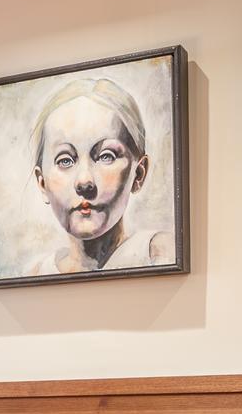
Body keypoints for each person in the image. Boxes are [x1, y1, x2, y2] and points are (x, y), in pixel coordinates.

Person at [27, 77, 174, 274]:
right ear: (42, 183)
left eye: (106, 156)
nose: (85, 181)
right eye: (65, 160)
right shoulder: (38, 272)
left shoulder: (158, 253)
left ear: (138, 173)